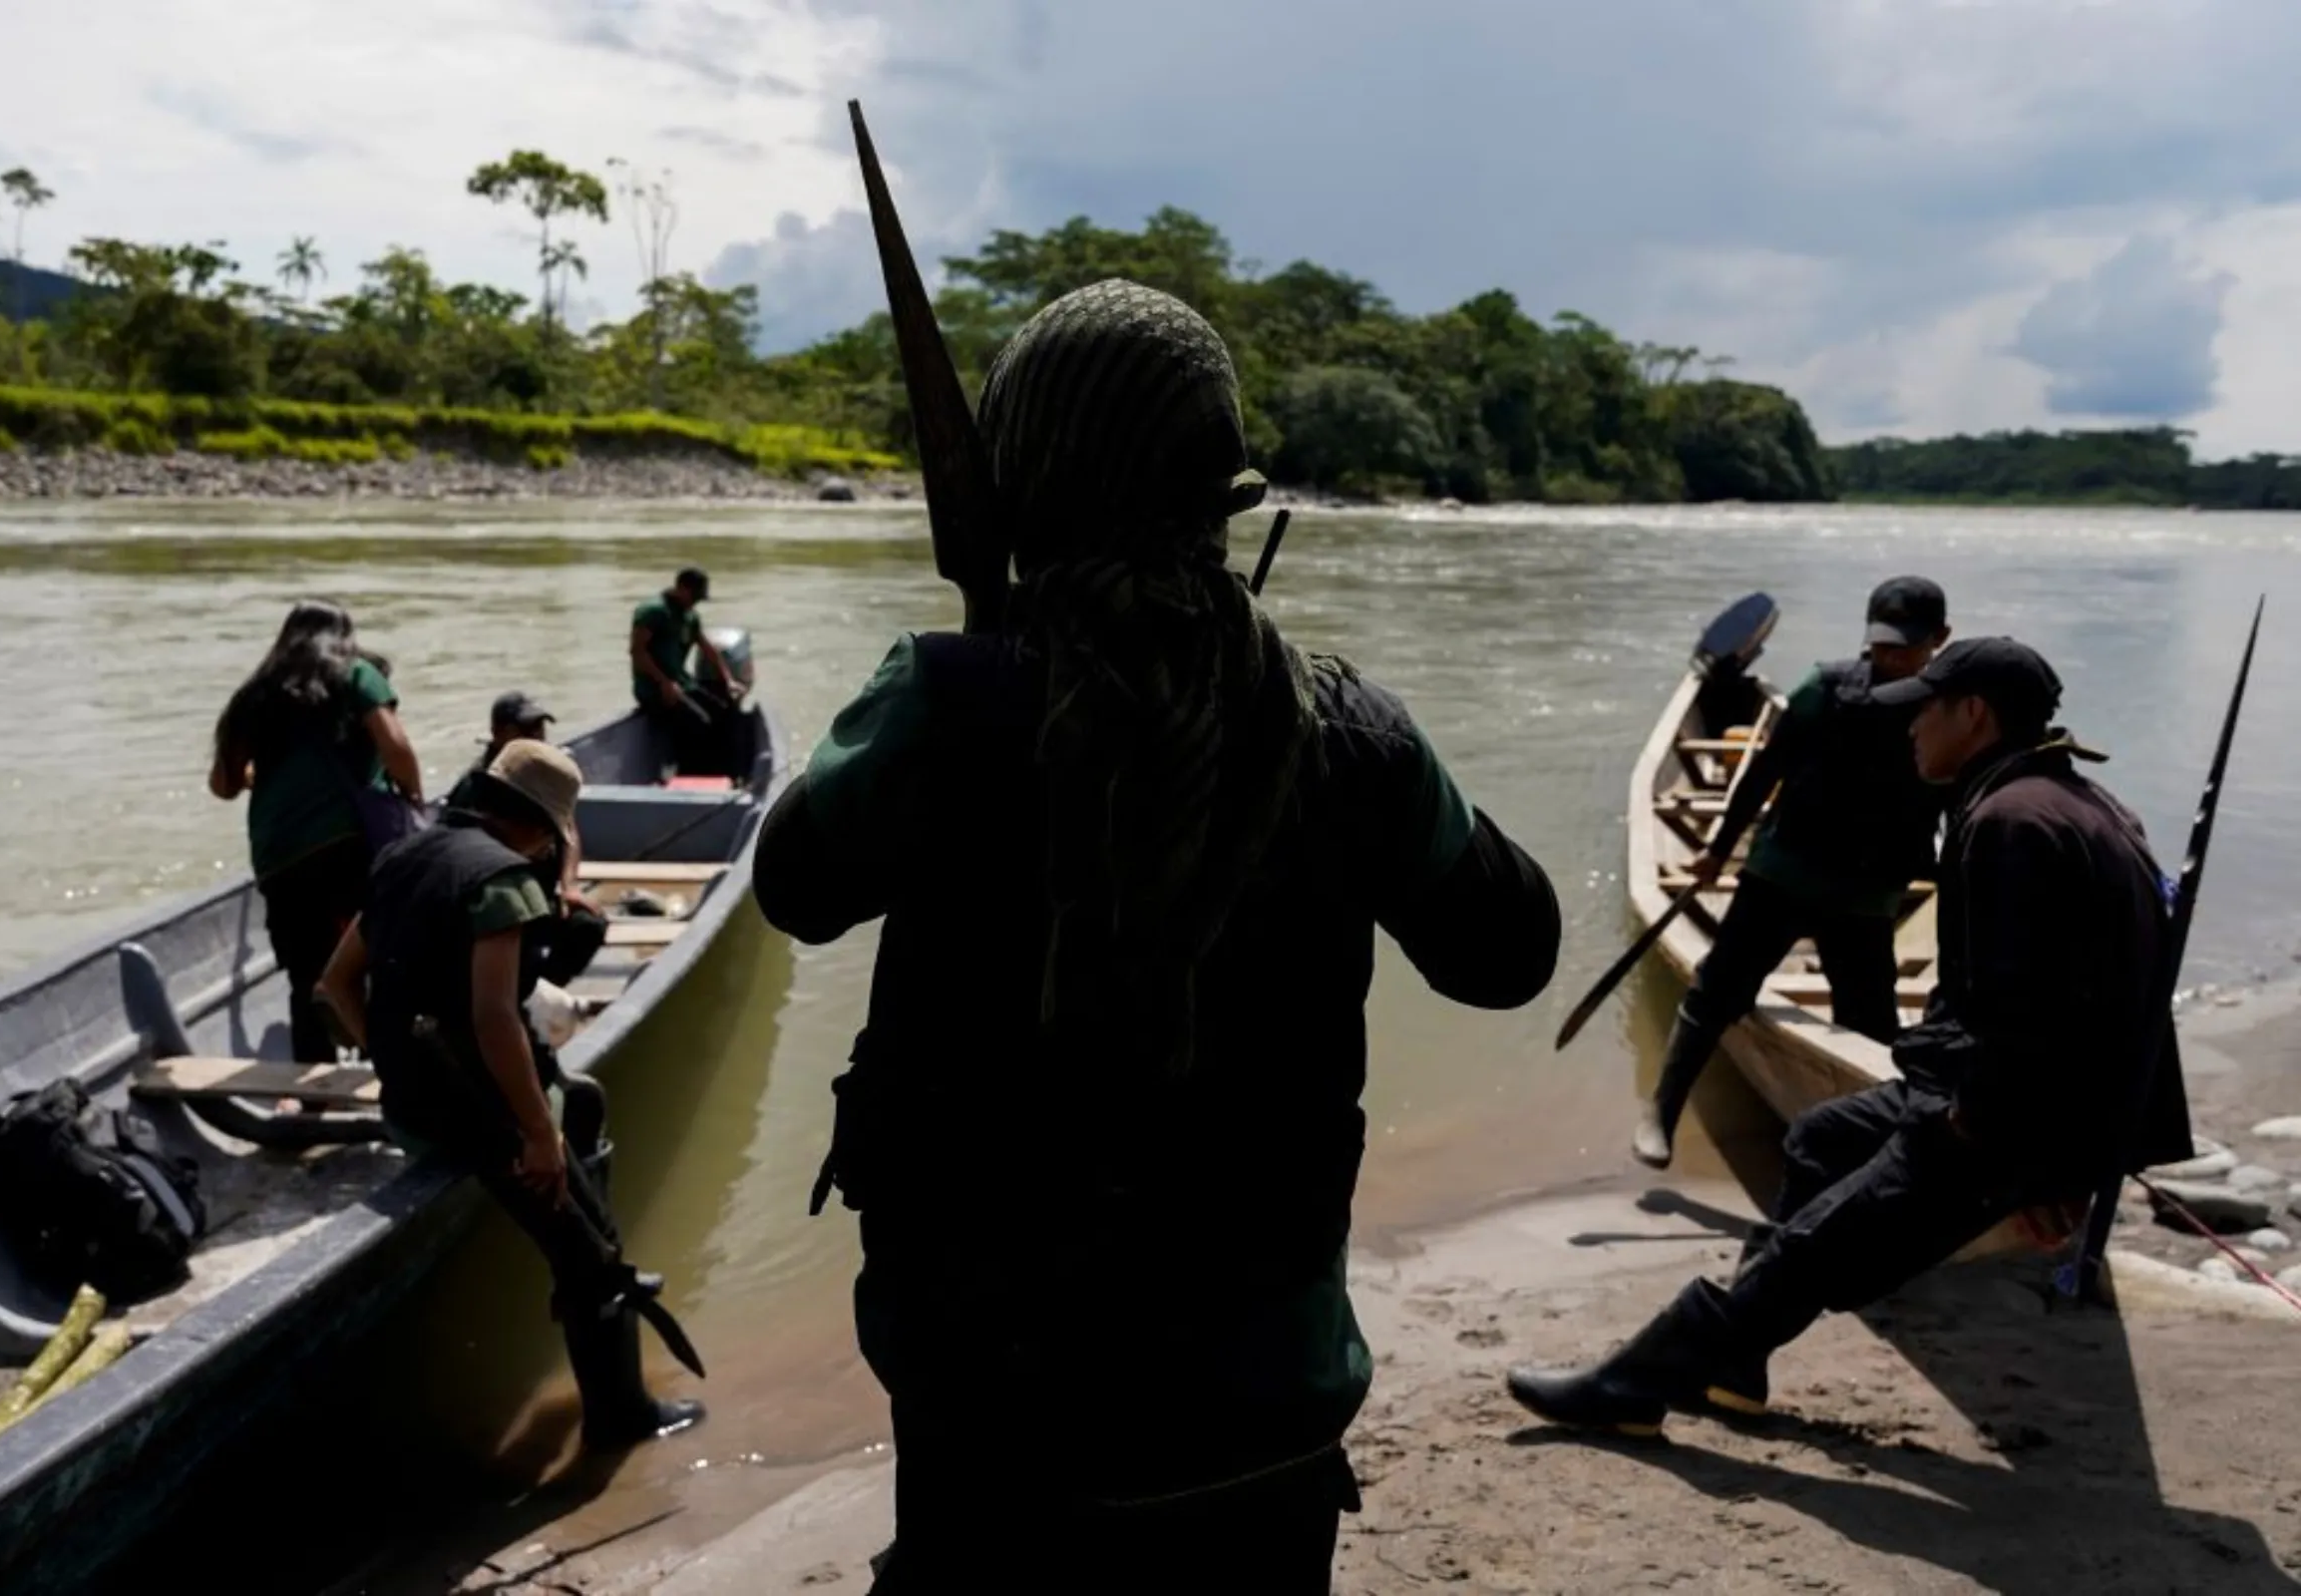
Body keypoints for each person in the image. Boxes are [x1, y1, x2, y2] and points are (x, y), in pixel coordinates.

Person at [753, 278, 1563, 1593]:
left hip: (996, 1406)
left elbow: (795, 886)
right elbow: (1507, 951)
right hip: (1265, 1407)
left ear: (1024, 489)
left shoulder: (946, 704)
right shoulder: (1351, 731)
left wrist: (982, 663)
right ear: (1222, 492)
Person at [1509, 637, 2193, 1435]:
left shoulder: (2010, 823)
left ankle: (1636, 1386)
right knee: (1820, 1139)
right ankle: (1735, 1360)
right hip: (2022, 1100)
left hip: (2003, 1116)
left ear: (1973, 715)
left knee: (1821, 1246)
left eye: (1924, 712)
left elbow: (2020, 1012)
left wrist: (2010, 1150)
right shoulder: (2069, 800)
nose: (1910, 731)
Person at [314, 742, 701, 1449]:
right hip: (477, 1115)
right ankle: (621, 1422)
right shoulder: (505, 884)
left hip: (412, 1104)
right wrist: (536, 1137)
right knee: (594, 1256)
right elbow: (495, 1018)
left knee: (580, 1100)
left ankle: (573, 1193)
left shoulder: (407, 857)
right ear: (539, 827)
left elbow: (334, 986)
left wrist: (396, 1063)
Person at [1632, 577, 1953, 1168]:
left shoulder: (1946, 709)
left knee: (1870, 1025)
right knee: (1718, 989)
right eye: (1881, 644)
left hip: (1868, 893)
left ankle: (1871, 1153)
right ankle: (1663, 1109)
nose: (1889, 658)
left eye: (1904, 648)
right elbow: (1760, 774)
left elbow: (1955, 804)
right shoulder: (1825, 688)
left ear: (1940, 640)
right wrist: (1715, 852)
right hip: (1783, 872)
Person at [209, 599, 424, 1064]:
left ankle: (315, 1093)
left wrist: (264, 782)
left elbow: (223, 785)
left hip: (279, 856)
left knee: (306, 975)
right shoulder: (358, 675)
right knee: (372, 954)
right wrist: (413, 798)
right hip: (350, 845)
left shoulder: (254, 695)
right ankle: (386, 1066)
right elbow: (397, 748)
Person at [444, 690, 606, 989]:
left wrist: (569, 886)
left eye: (539, 729)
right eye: (526, 731)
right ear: (497, 733)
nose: (537, 737)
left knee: (589, 925)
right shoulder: (475, 789)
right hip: (494, 903)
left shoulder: (541, 775)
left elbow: (568, 830)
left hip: (540, 898)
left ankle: (545, 990)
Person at [630, 567, 743, 775]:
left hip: (682, 684)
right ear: (681, 588)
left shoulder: (690, 616)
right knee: (698, 723)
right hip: (654, 689)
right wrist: (664, 683)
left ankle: (727, 772)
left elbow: (708, 649)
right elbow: (638, 653)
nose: (696, 602)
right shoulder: (653, 612)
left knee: (723, 709)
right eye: (694, 596)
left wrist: (728, 680)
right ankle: (690, 777)